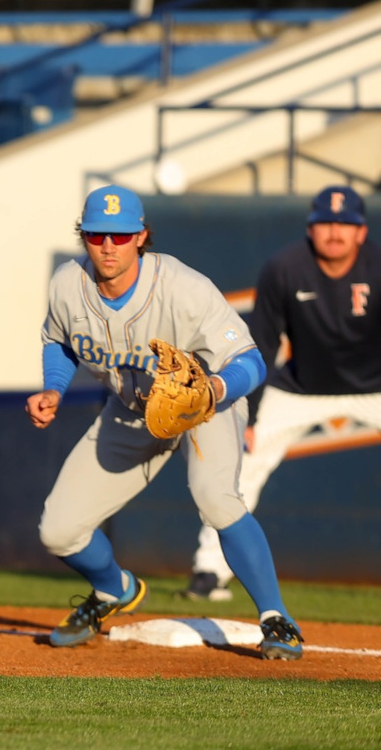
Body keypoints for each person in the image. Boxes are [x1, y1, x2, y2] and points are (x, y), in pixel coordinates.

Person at [27, 185, 302, 659]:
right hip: (132, 411)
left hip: (203, 407)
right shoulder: (66, 285)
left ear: (141, 236)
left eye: (120, 235)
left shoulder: (182, 287)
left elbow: (252, 361)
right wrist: (54, 387)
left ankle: (276, 618)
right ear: (84, 237)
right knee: (57, 531)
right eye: (96, 235)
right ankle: (114, 590)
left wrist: (213, 390)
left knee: (217, 500)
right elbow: (61, 341)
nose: (108, 246)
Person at [179, 185, 379, 601]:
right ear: (310, 228)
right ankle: (210, 571)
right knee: (242, 465)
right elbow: (262, 346)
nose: (335, 232)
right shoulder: (285, 268)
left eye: (345, 225)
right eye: (325, 223)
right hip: (299, 388)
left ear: (362, 232)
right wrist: (248, 417)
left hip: (375, 385)